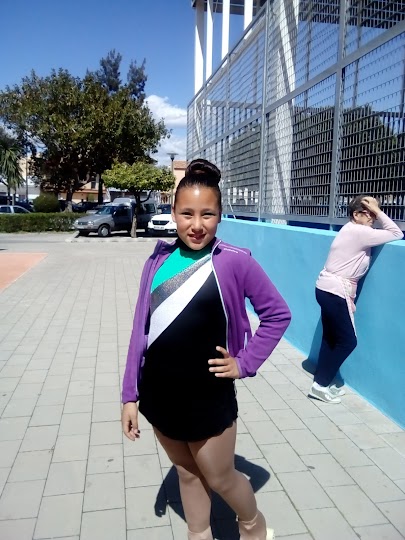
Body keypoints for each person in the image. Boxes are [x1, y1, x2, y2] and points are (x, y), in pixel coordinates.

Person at [121, 158, 291, 540]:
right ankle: (198, 534)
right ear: (173, 213)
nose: (196, 225)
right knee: (186, 472)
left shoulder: (234, 262)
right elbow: (139, 332)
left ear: (219, 216)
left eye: (207, 214)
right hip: (159, 393)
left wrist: (245, 363)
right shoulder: (157, 261)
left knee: (220, 477)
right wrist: (129, 395)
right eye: (187, 214)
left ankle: (253, 526)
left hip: (207, 394)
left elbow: (277, 314)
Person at [309, 195, 403, 404]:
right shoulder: (360, 232)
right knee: (347, 341)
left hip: (326, 288)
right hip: (335, 291)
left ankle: (321, 381)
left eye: (374, 213)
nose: (373, 217)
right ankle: (320, 386)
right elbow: (397, 233)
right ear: (356, 214)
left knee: (331, 338)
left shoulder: (351, 230)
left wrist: (375, 210)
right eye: (369, 212)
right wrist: (379, 211)